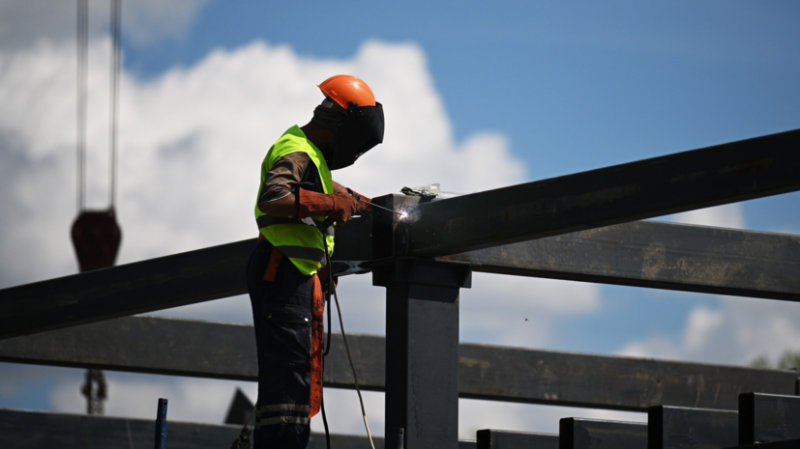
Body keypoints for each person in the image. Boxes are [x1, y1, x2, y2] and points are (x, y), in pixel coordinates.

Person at [246, 74, 384, 449]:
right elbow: (274, 198)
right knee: (288, 383)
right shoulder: (298, 151)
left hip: (293, 277)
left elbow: (325, 189)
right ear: (345, 126)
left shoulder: (310, 154)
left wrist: (360, 203)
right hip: (282, 274)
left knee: (297, 380)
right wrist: (332, 204)